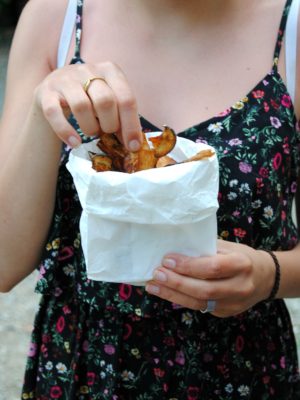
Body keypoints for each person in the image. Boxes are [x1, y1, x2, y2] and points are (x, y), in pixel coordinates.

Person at [0, 0, 300, 398]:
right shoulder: (55, 17)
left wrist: (269, 275)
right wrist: (44, 110)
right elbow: (5, 262)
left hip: (239, 370)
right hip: (85, 371)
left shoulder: (291, 31)